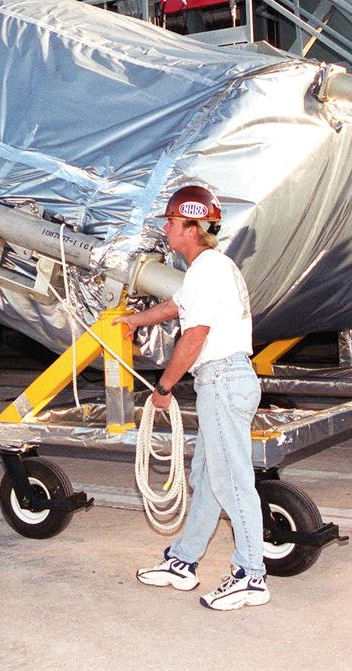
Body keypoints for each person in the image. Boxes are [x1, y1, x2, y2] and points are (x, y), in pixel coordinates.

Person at [114, 185, 268, 612]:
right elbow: (177, 306)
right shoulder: (212, 267)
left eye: (170, 221)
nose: (165, 227)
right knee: (208, 480)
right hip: (225, 380)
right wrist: (133, 321)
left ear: (190, 227)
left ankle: (251, 574)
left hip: (220, 379)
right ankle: (183, 562)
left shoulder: (206, 269)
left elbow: (194, 334)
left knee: (232, 481)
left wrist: (163, 389)